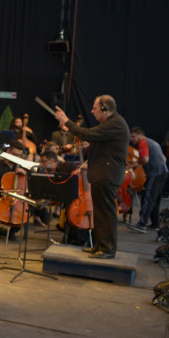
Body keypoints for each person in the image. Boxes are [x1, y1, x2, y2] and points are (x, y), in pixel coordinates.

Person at [54, 95, 130, 259]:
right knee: (100, 213)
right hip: (103, 173)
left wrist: (67, 121)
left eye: (95, 108)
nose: (92, 111)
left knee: (106, 213)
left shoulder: (114, 123)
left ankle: (107, 248)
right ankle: (100, 245)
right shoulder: (110, 124)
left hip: (107, 174)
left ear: (105, 108)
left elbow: (87, 133)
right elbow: (99, 142)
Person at [130, 127, 168, 231]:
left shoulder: (143, 143)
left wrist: (136, 164)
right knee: (155, 198)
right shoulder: (153, 142)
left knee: (148, 197)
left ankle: (142, 223)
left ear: (140, 135)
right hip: (163, 172)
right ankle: (155, 223)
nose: (131, 139)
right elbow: (164, 158)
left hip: (155, 173)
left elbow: (145, 159)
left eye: (133, 136)